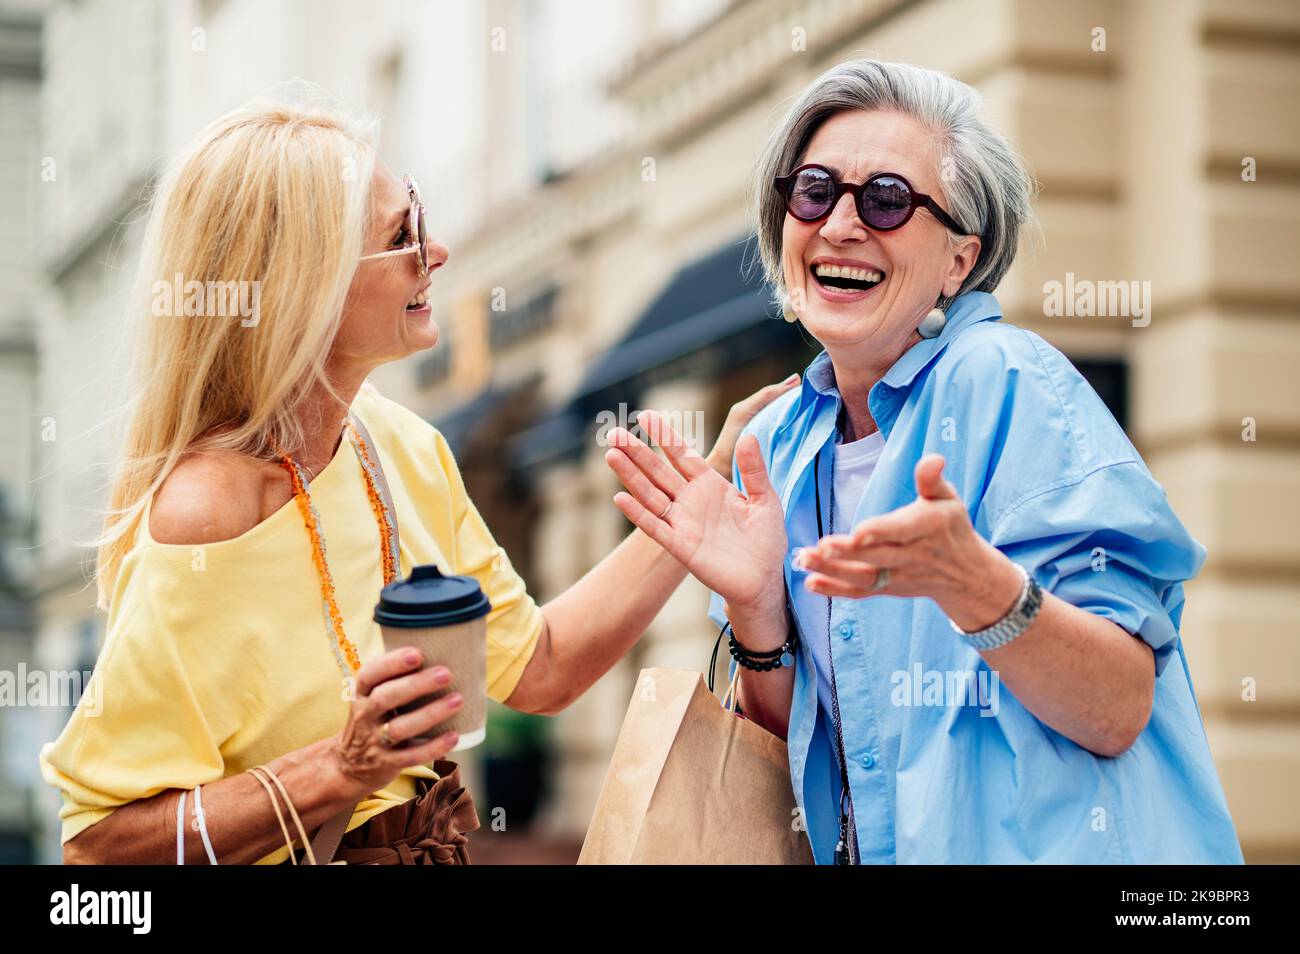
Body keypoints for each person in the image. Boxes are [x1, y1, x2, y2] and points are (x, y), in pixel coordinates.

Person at [39, 94, 795, 864]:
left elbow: (540, 667)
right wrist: (338, 770)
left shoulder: (400, 444)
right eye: (401, 236)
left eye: (420, 218)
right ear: (307, 285)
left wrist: (696, 500)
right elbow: (100, 848)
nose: (436, 253)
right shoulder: (205, 512)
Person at [602, 58, 1243, 864]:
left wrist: (978, 588)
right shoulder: (779, 445)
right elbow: (780, 757)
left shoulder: (1004, 380)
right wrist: (759, 611)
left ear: (958, 261)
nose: (840, 224)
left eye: (887, 200)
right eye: (814, 190)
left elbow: (1117, 705)